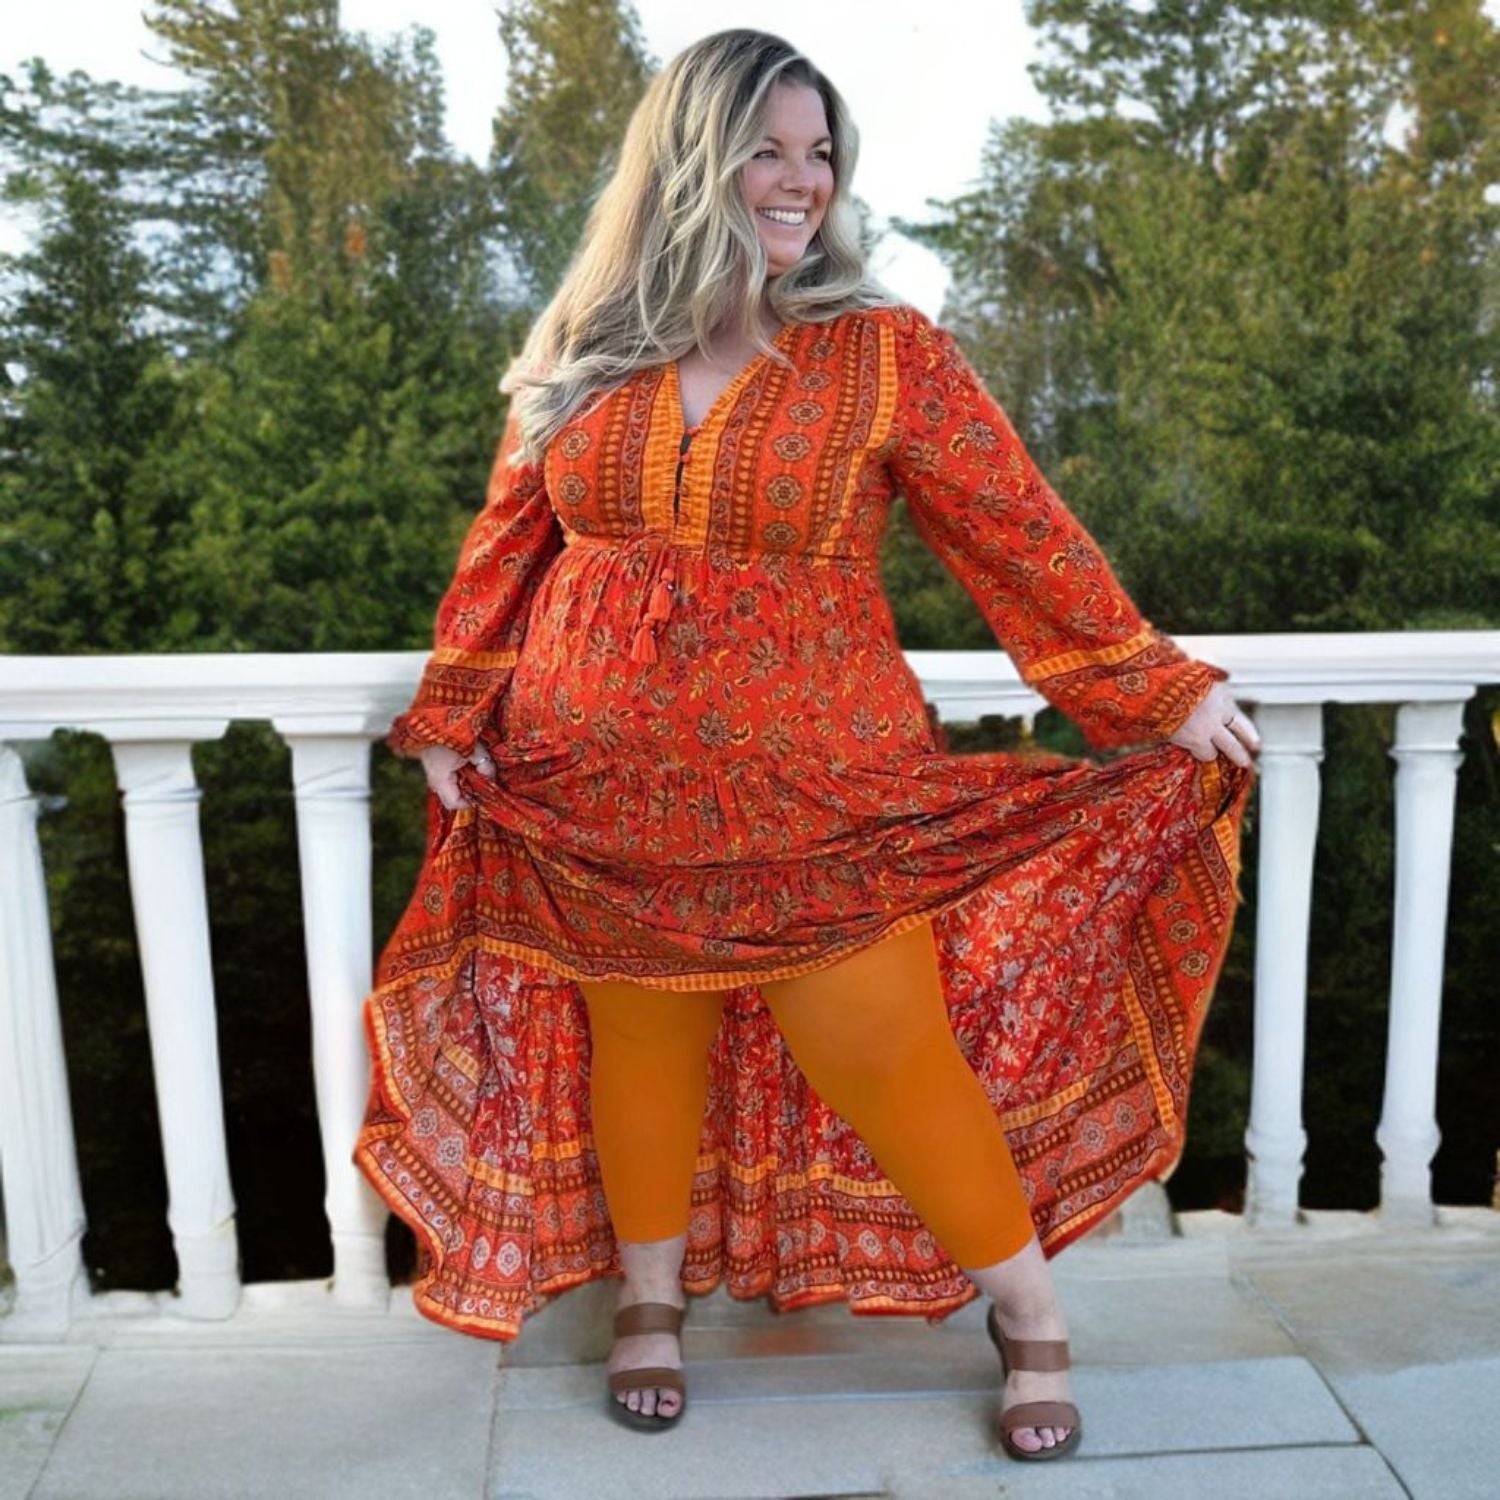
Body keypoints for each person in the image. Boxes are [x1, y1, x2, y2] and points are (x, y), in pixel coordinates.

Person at [352, 28, 1259, 1462]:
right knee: (641, 1038)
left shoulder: (883, 353)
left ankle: (1027, 1311)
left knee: (885, 1042)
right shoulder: (584, 344)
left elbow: (1013, 530)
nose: (801, 181)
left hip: (818, 779)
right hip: (595, 782)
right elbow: (510, 541)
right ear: (689, 164)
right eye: (766, 151)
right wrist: (453, 712)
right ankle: (650, 1301)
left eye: (819, 153)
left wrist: (1151, 687)